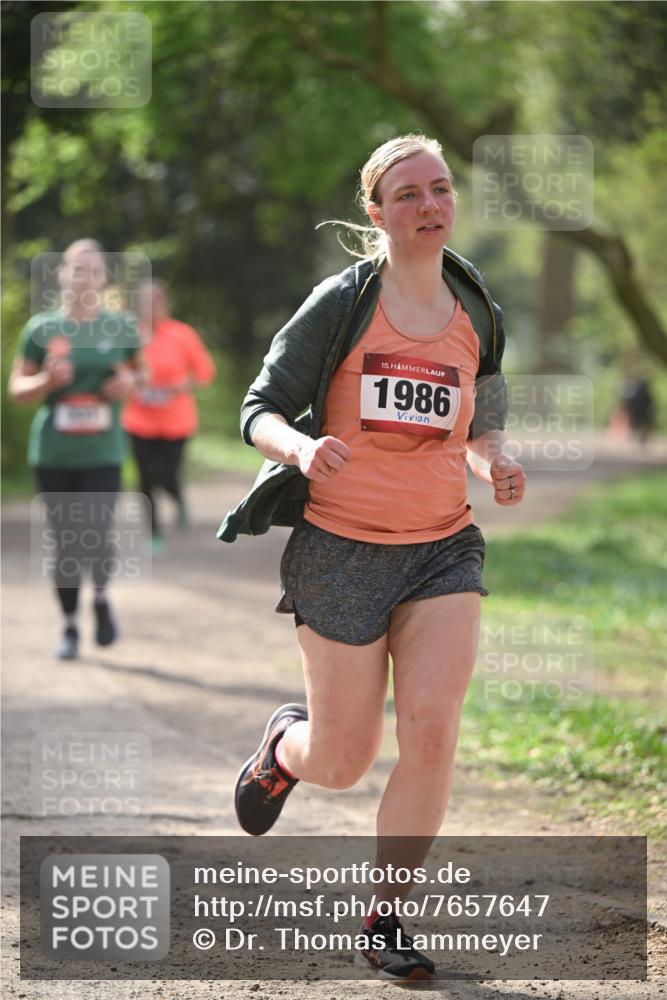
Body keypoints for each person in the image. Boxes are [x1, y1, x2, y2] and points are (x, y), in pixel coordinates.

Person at [221, 134, 526, 982]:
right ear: (375, 213)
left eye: (439, 190)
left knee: (432, 732)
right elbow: (259, 406)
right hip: (340, 551)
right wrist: (298, 450)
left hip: (441, 552)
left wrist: (492, 460)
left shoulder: (475, 305)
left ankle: (384, 919)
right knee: (343, 760)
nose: (428, 206)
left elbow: (479, 417)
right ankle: (285, 747)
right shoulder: (341, 301)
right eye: (406, 196)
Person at [9, 239, 147, 660]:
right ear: (63, 275)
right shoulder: (41, 329)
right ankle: (69, 626)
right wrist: (46, 383)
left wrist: (129, 384)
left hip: (103, 452)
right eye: (76, 268)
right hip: (53, 453)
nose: (83, 276)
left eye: (92, 269)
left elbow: (142, 373)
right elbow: (17, 389)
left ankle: (101, 598)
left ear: (104, 278)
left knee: (95, 531)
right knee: (66, 542)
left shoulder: (122, 328)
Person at [122, 280, 216, 545]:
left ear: (165, 303)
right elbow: (118, 369)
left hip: (176, 421)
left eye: (155, 302)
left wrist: (184, 384)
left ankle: (177, 498)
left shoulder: (182, 334)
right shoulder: (131, 336)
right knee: (145, 478)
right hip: (139, 420)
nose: (150, 308)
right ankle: (154, 531)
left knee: (167, 474)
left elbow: (205, 372)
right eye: (145, 303)